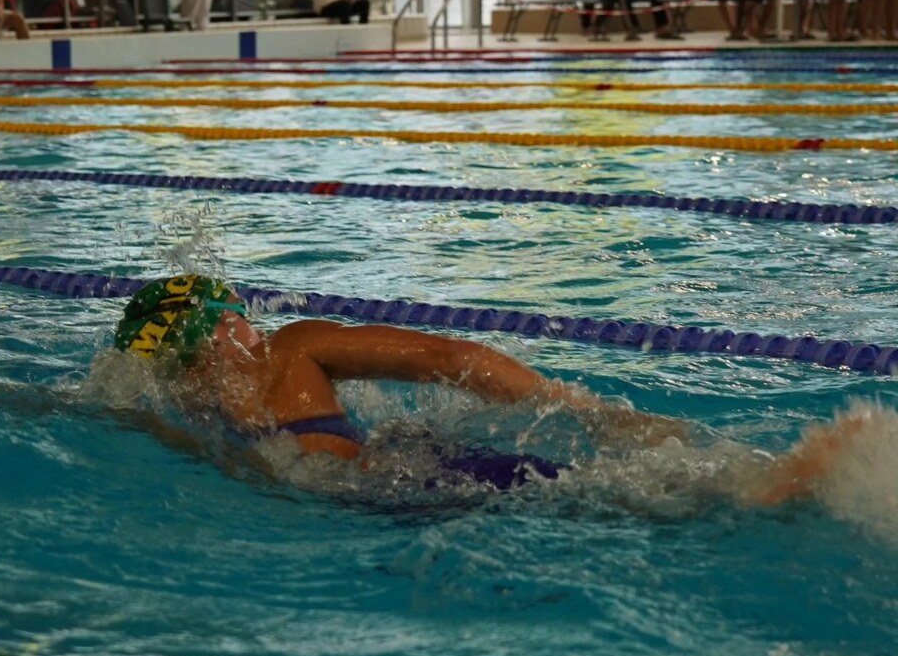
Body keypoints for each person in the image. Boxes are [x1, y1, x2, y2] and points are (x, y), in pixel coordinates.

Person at [108, 274, 868, 508]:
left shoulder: (184, 411)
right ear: (223, 325)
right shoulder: (288, 348)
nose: (251, 318)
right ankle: (753, 489)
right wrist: (582, 407)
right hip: (398, 477)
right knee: (598, 489)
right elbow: (450, 357)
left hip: (358, 507)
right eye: (236, 309)